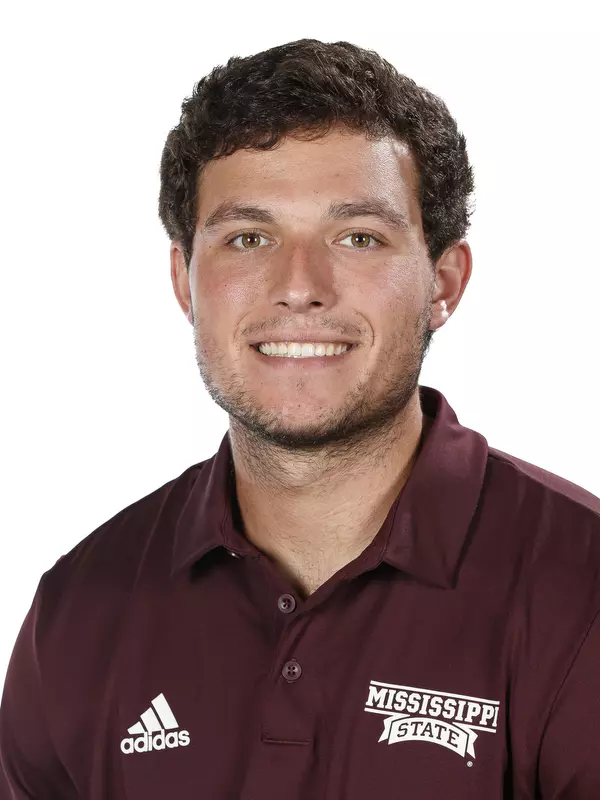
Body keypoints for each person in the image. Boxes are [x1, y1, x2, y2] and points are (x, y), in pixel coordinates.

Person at [1, 37, 599, 800]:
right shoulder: (81, 611)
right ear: (185, 280)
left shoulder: (583, 592)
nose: (299, 287)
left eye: (358, 237)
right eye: (250, 238)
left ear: (444, 282)